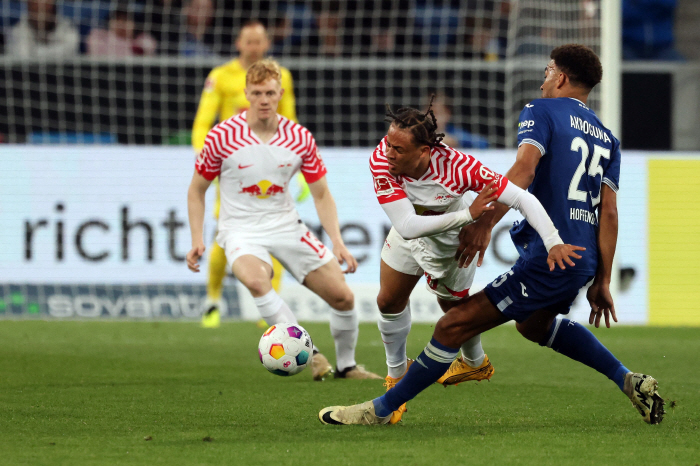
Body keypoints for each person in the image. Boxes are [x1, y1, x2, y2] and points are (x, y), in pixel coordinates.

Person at [319, 44, 665, 425]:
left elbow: (523, 171)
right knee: (533, 326)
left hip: (549, 257)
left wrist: (484, 222)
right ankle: (628, 379)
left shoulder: (540, 110)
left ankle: (379, 410)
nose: (543, 78)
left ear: (561, 77)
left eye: (548, 70)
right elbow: (610, 214)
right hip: (581, 258)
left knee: (452, 325)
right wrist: (602, 278)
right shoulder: (607, 138)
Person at [366, 94, 579, 424]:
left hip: (450, 245)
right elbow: (407, 227)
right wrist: (468, 215)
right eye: (388, 144)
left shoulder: (459, 167)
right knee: (388, 300)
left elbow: (522, 198)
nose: (387, 153)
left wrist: (553, 241)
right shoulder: (382, 160)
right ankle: (396, 376)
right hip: (414, 226)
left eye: (398, 149)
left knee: (454, 312)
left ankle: (475, 362)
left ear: (424, 151)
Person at [187, 59, 381, 381]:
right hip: (240, 230)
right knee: (256, 280)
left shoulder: (300, 138)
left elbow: (321, 194)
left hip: (287, 227)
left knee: (343, 297)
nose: (264, 99)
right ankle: (313, 353)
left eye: (271, 93)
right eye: (258, 92)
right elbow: (197, 190)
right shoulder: (222, 136)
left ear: (281, 94)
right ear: (246, 94)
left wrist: (338, 242)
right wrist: (197, 239)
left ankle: (347, 367)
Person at [191, 20, 306, 329]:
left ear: (266, 44)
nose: (254, 47)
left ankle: (270, 310)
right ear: (239, 43)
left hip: (271, 165)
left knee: (278, 233)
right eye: (249, 41)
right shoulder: (221, 77)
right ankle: (213, 301)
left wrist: (302, 170)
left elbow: (291, 120)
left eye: (259, 42)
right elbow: (203, 123)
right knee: (224, 234)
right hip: (233, 168)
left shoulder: (284, 78)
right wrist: (208, 157)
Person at [5, 0, 79, 59]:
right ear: (28, 6)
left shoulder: (68, 28)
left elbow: (67, 53)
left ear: (53, 6)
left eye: (46, 7)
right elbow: (22, 56)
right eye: (36, 8)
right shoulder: (17, 30)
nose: (41, 14)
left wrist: (35, 52)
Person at [86, 7, 157, 57]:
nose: (121, 24)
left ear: (134, 24)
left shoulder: (144, 39)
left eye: (125, 20)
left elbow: (148, 49)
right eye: (117, 19)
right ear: (108, 22)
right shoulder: (98, 36)